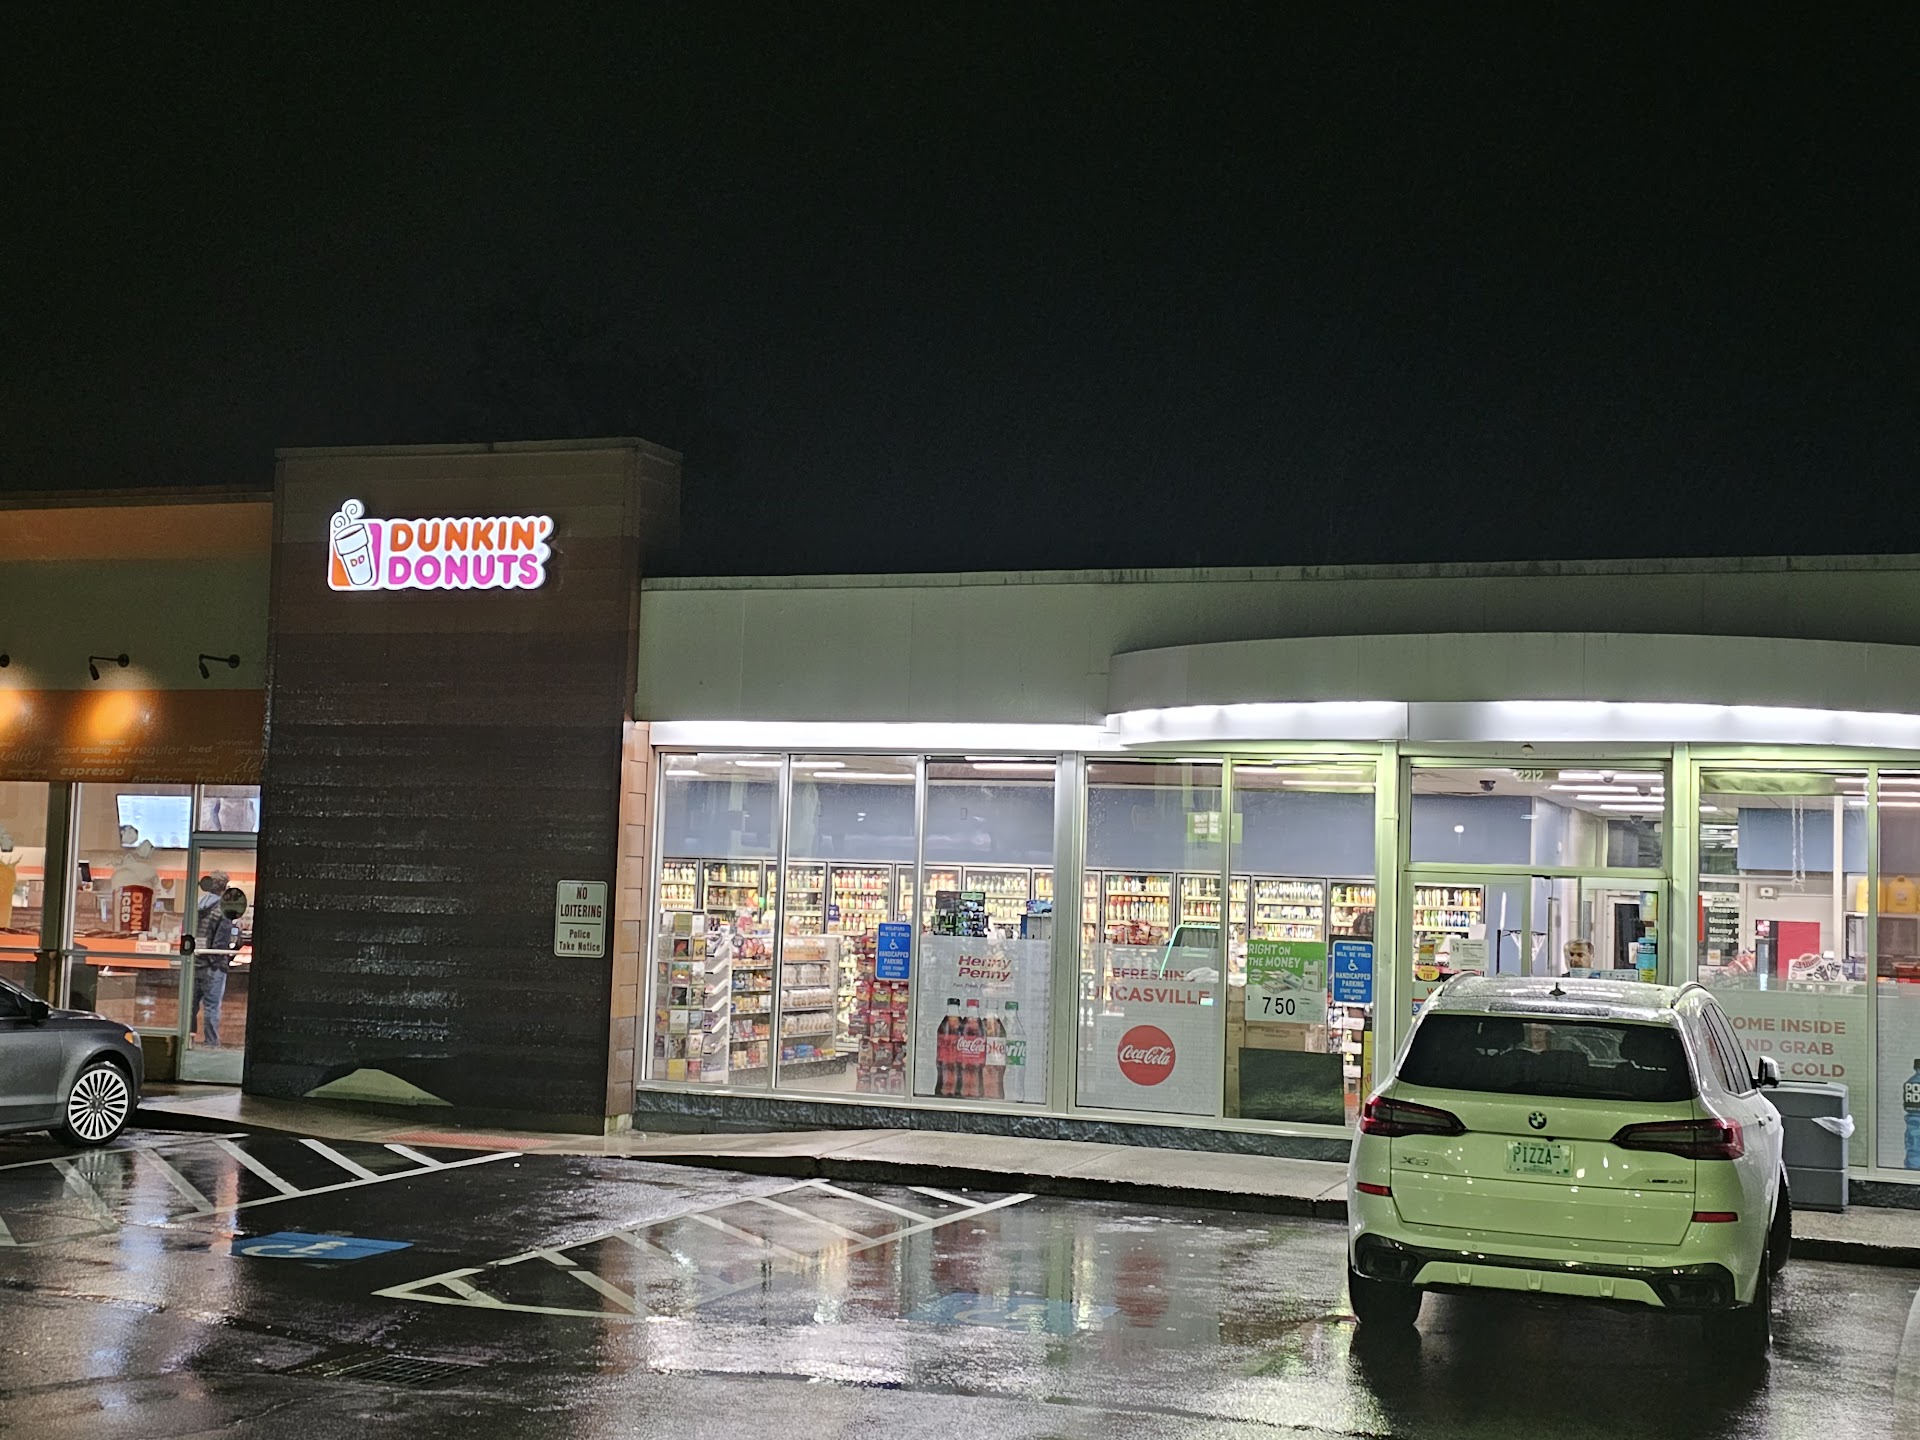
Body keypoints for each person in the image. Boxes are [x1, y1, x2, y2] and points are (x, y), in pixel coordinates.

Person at [191, 871, 233, 1047]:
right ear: (224, 887)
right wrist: (217, 962)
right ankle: (211, 1043)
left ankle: (189, 1040)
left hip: (195, 963)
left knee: (191, 1007)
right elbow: (221, 942)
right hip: (213, 967)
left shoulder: (196, 905)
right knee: (211, 1007)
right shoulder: (224, 909)